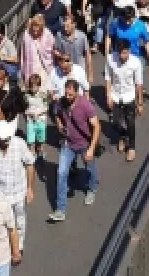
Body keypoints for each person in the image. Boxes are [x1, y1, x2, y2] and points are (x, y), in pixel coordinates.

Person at [49, 79, 101, 222]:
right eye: (66, 94)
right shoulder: (61, 102)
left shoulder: (86, 105)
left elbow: (96, 126)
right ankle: (60, 209)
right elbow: (56, 112)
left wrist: (91, 149)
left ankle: (91, 189)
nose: (68, 97)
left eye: (71, 95)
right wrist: (59, 123)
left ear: (77, 93)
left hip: (84, 144)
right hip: (68, 144)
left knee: (90, 169)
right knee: (61, 172)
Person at [0, 119, 36, 249]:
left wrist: (30, 189)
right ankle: (5, 244)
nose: (6, 142)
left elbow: (30, 165)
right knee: (0, 220)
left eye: (8, 139)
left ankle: (19, 245)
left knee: (19, 220)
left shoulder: (20, 144)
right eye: (3, 140)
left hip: (18, 191)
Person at [105, 44, 145, 161]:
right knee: (114, 121)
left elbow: (139, 83)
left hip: (129, 96)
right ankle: (123, 136)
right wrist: (108, 95)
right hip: (116, 95)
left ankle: (131, 148)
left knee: (130, 123)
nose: (123, 56)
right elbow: (108, 77)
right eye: (121, 53)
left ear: (129, 51)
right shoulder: (110, 59)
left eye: (126, 53)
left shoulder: (135, 62)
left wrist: (140, 102)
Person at [19, 14, 56, 90]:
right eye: (33, 30)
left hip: (43, 66)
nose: (35, 32)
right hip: (30, 66)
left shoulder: (48, 34)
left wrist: (40, 47)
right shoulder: (27, 34)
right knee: (31, 88)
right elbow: (23, 52)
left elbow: (52, 50)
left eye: (37, 30)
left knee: (43, 89)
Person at [55, 15, 93, 81]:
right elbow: (56, 50)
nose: (65, 29)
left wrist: (90, 74)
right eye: (64, 26)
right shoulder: (59, 35)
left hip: (79, 69)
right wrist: (61, 56)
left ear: (74, 25)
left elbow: (88, 55)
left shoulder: (82, 36)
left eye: (67, 26)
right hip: (65, 70)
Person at [23, 74, 51, 159]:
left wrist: (39, 114)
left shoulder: (43, 95)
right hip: (30, 120)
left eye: (36, 86)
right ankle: (32, 150)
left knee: (41, 136)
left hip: (40, 119)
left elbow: (47, 108)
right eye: (32, 86)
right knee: (30, 136)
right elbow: (24, 108)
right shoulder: (26, 96)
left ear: (39, 86)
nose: (34, 89)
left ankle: (41, 149)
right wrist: (29, 114)